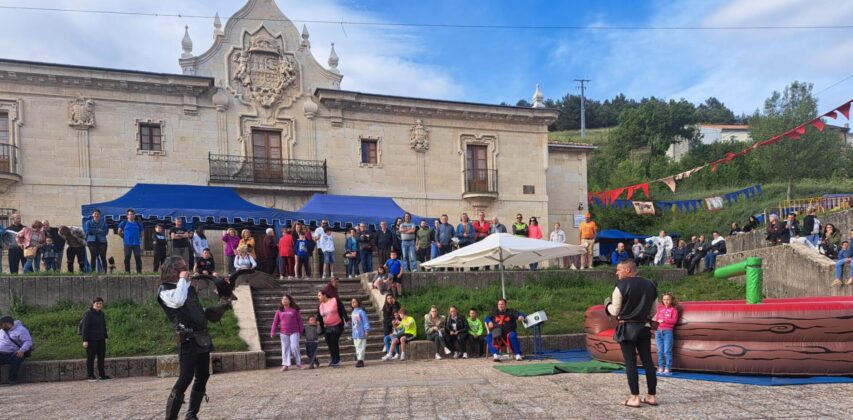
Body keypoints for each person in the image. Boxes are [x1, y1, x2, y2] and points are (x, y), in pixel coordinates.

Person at [157, 256, 230, 419]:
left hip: (202, 337)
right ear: (174, 271)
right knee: (185, 378)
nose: (187, 271)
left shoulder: (187, 288)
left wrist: (221, 303)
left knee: (203, 375)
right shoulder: (165, 290)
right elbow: (177, 301)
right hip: (187, 339)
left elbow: (197, 310)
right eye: (183, 268)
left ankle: (191, 415)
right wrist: (183, 280)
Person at [605, 260, 658, 408]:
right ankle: (651, 396)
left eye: (619, 270)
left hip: (627, 328)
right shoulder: (651, 285)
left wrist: (607, 305)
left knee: (630, 363)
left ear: (628, 269)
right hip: (644, 327)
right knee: (648, 361)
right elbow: (654, 311)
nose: (617, 273)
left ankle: (634, 397)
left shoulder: (620, 286)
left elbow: (615, 311)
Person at [270, 294, 304, 371]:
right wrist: (273, 331)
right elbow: (275, 322)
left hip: (294, 332)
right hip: (284, 333)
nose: (284, 301)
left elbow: (300, 321)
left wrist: (301, 330)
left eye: (285, 299)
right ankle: (285, 365)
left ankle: (299, 363)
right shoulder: (279, 311)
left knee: (294, 347)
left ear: (289, 301)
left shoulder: (295, 310)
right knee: (285, 349)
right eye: (282, 299)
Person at [317, 290, 348, 367]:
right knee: (329, 343)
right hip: (326, 327)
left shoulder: (334, 300)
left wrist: (346, 318)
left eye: (319, 295)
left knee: (334, 342)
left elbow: (342, 309)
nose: (318, 297)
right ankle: (333, 358)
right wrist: (320, 327)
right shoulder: (320, 305)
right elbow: (319, 317)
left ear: (324, 295)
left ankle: (336, 360)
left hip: (337, 325)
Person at [81, 297, 110, 381]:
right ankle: (90, 375)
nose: (99, 305)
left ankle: (102, 375)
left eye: (100, 303)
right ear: (93, 304)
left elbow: (103, 326)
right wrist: (85, 340)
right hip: (91, 339)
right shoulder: (88, 313)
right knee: (91, 358)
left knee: (101, 357)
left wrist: (105, 337)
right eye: (97, 303)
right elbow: (85, 328)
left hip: (101, 339)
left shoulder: (101, 313)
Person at [0, 314, 32, 386]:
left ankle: (12, 380)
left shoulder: (21, 330)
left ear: (8, 323)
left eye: (2, 324)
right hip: (2, 353)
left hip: (15, 353)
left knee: (16, 359)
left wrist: (22, 350)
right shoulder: (2, 331)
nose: (1, 326)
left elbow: (28, 341)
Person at [654, 292, 680, 376]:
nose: (666, 301)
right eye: (664, 299)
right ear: (662, 300)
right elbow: (657, 318)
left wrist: (664, 320)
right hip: (658, 332)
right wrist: (659, 320)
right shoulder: (660, 309)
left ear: (671, 300)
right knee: (660, 351)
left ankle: (668, 368)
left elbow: (674, 321)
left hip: (668, 332)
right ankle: (661, 366)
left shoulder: (674, 310)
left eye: (668, 299)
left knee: (667, 351)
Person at [117, 209, 143, 273]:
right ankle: (127, 272)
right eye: (130, 214)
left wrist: (137, 237)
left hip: (136, 243)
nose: (131, 215)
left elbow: (142, 233)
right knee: (127, 258)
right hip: (127, 243)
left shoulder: (138, 223)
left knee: (138, 258)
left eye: (132, 214)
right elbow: (119, 232)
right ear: (127, 216)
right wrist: (124, 237)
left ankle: (139, 272)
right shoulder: (124, 222)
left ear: (134, 215)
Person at [350, 297, 371, 368]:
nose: (353, 303)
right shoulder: (353, 312)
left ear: (358, 303)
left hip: (361, 332)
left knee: (361, 346)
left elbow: (365, 321)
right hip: (355, 333)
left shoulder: (361, 312)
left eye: (354, 302)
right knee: (357, 346)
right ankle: (359, 358)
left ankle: (360, 360)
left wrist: (367, 330)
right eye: (352, 302)